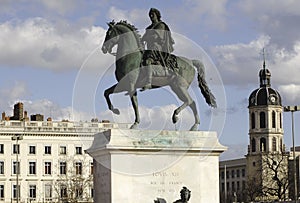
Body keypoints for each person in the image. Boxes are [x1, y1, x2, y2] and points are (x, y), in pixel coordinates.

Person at [141, 8, 175, 91]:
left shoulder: (161, 25)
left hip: (157, 48)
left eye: (153, 14)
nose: (151, 16)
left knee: (148, 61)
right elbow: (143, 38)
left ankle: (149, 82)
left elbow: (156, 37)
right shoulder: (149, 27)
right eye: (150, 15)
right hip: (149, 47)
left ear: (157, 15)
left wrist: (147, 37)